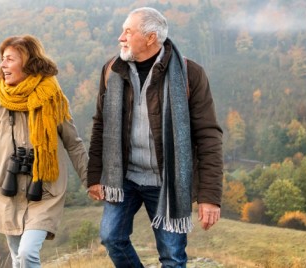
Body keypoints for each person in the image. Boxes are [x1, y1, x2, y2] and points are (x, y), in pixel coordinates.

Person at [85, 7, 224, 268]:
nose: (120, 37)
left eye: (128, 31)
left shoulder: (190, 74)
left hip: (167, 181)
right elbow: (100, 125)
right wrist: (94, 176)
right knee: (111, 238)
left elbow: (209, 137)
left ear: (150, 38)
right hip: (124, 177)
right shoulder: (112, 70)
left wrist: (210, 197)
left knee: (172, 256)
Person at [0, 35, 88, 268]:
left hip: (44, 191)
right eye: (2, 60)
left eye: (9, 59)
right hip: (7, 190)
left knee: (27, 254)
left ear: (27, 62)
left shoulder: (53, 99)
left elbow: (73, 143)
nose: (2, 65)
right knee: (17, 258)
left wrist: (91, 181)